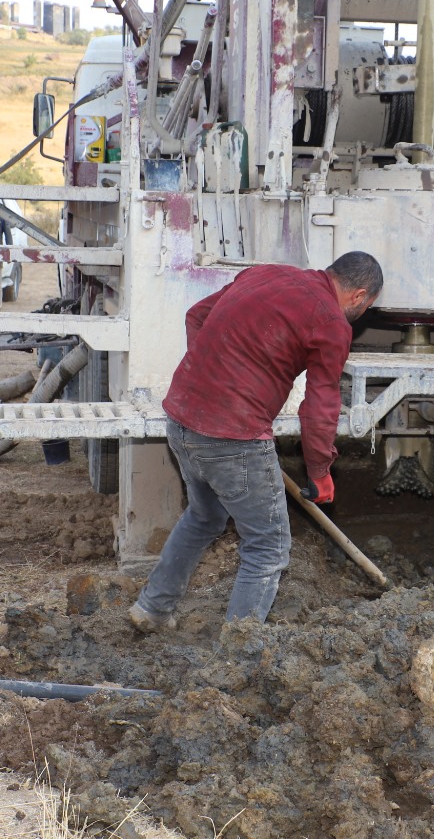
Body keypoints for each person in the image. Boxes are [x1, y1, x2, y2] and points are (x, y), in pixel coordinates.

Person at [128, 251, 384, 632]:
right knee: (268, 549)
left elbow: (197, 315)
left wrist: (211, 378)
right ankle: (239, 658)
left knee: (204, 516)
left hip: (182, 418)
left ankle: (151, 609)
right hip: (234, 437)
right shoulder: (332, 323)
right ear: (359, 295)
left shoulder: (266, 273)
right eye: (368, 307)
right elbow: (320, 406)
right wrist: (320, 470)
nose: (363, 313)